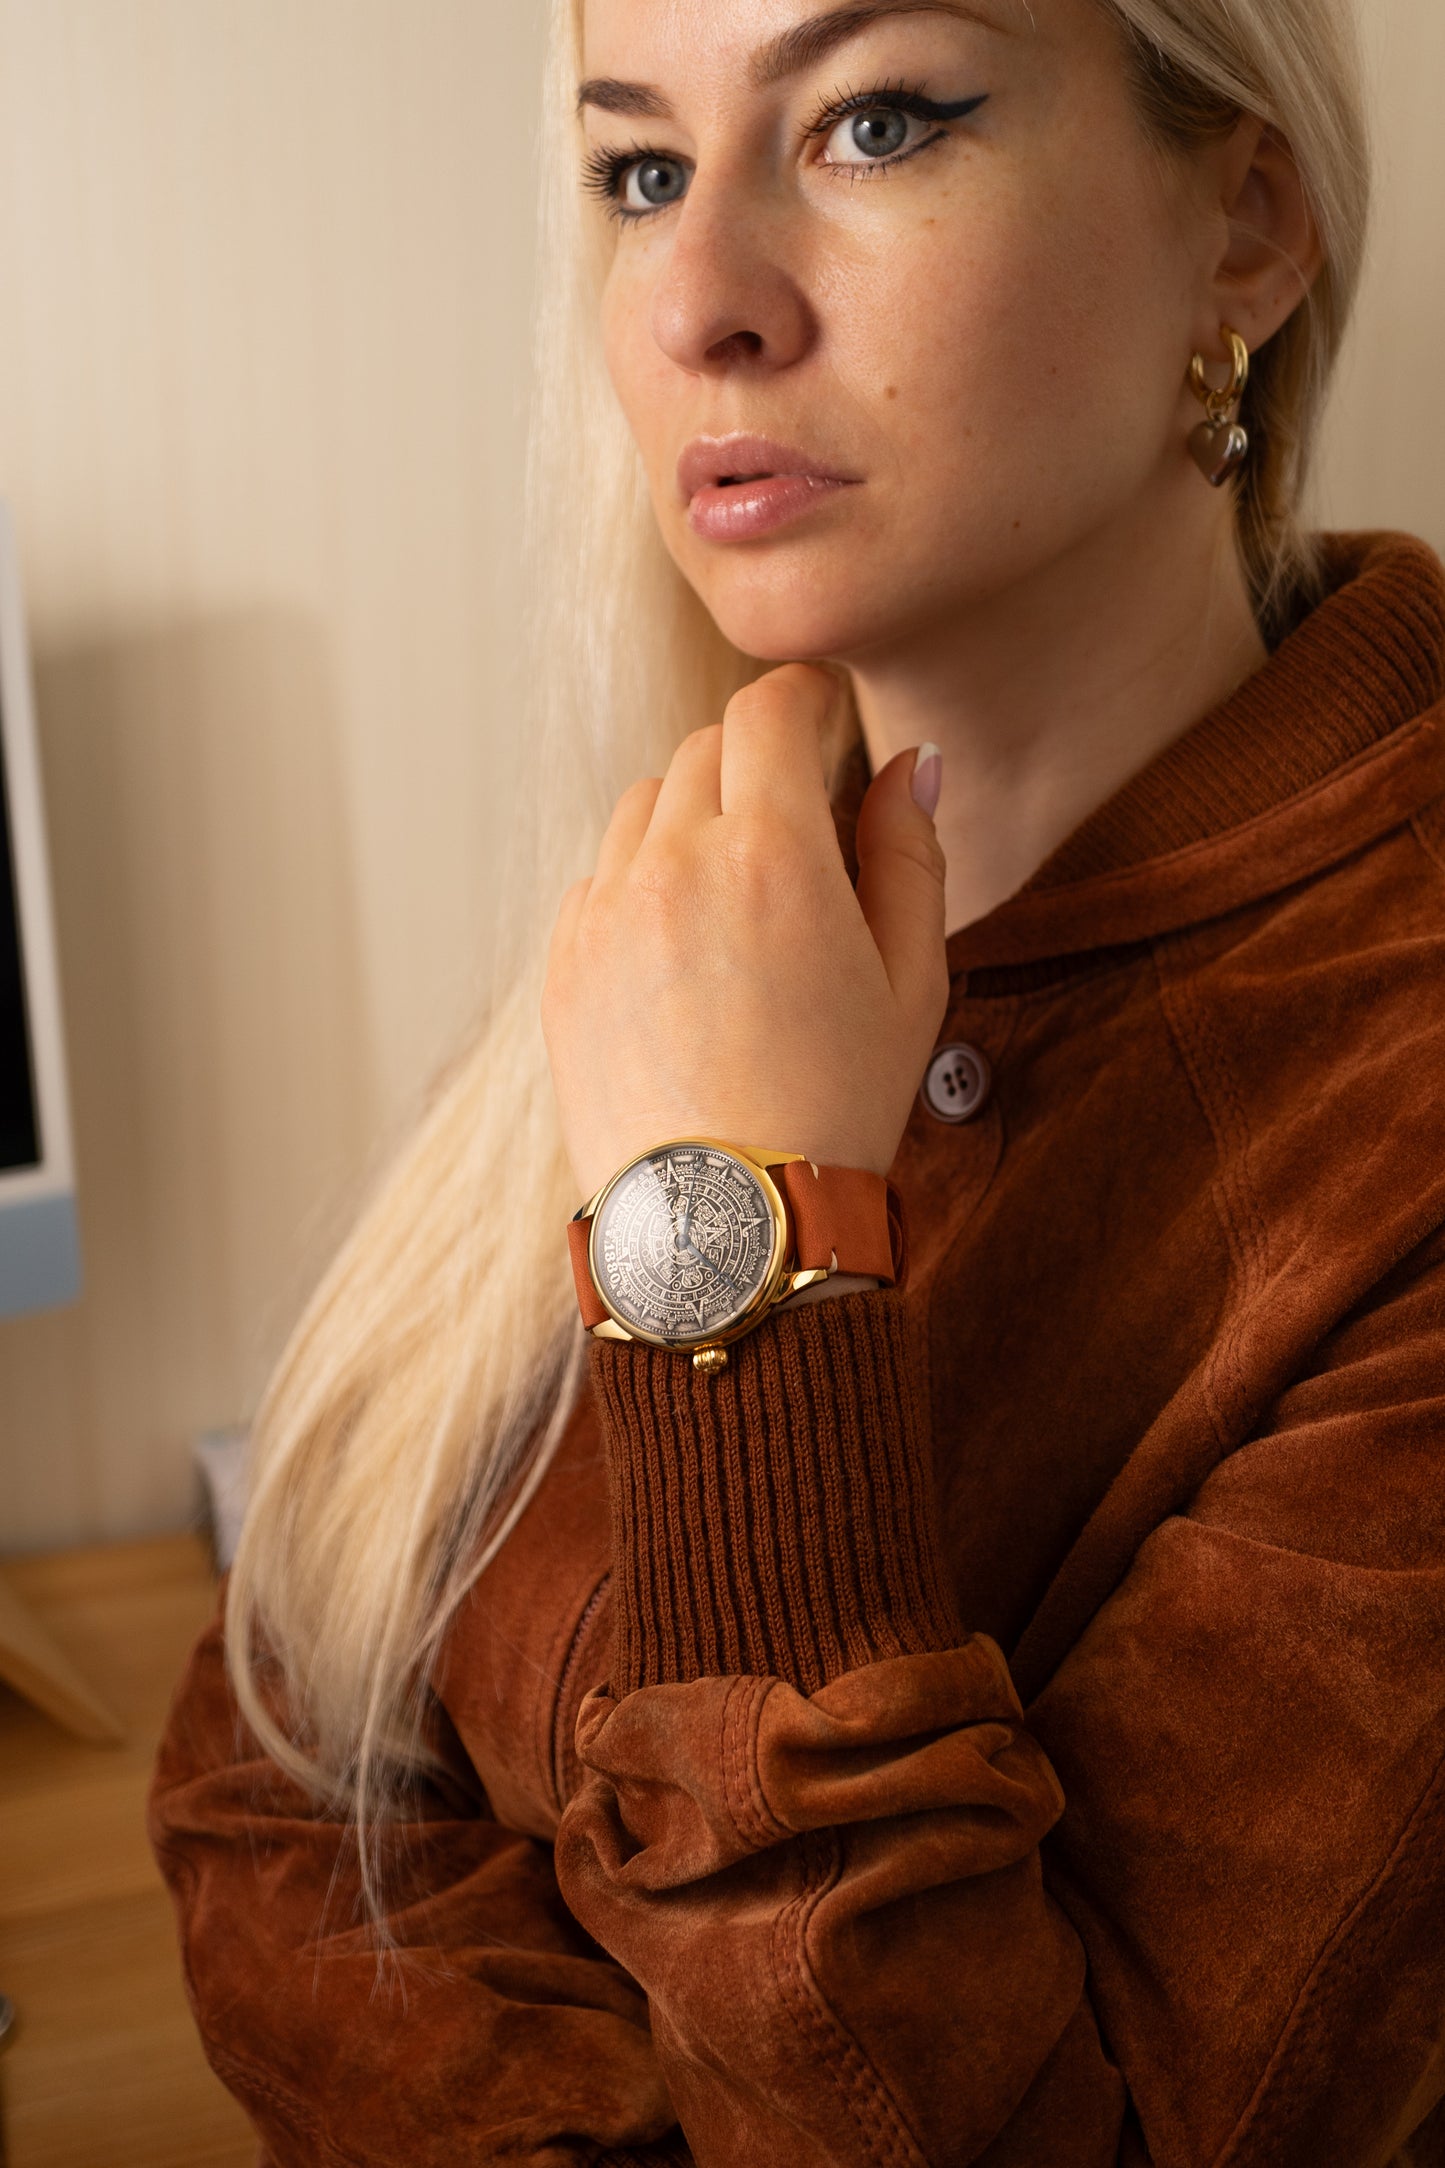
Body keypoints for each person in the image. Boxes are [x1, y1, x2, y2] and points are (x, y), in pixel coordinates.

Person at [149, 0, 1445, 2158]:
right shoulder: (699, 893)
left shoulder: (1394, 1099)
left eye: (876, 122)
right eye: (638, 168)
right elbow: (268, 1759)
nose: (693, 301)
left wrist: (733, 1253)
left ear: (1248, 225)